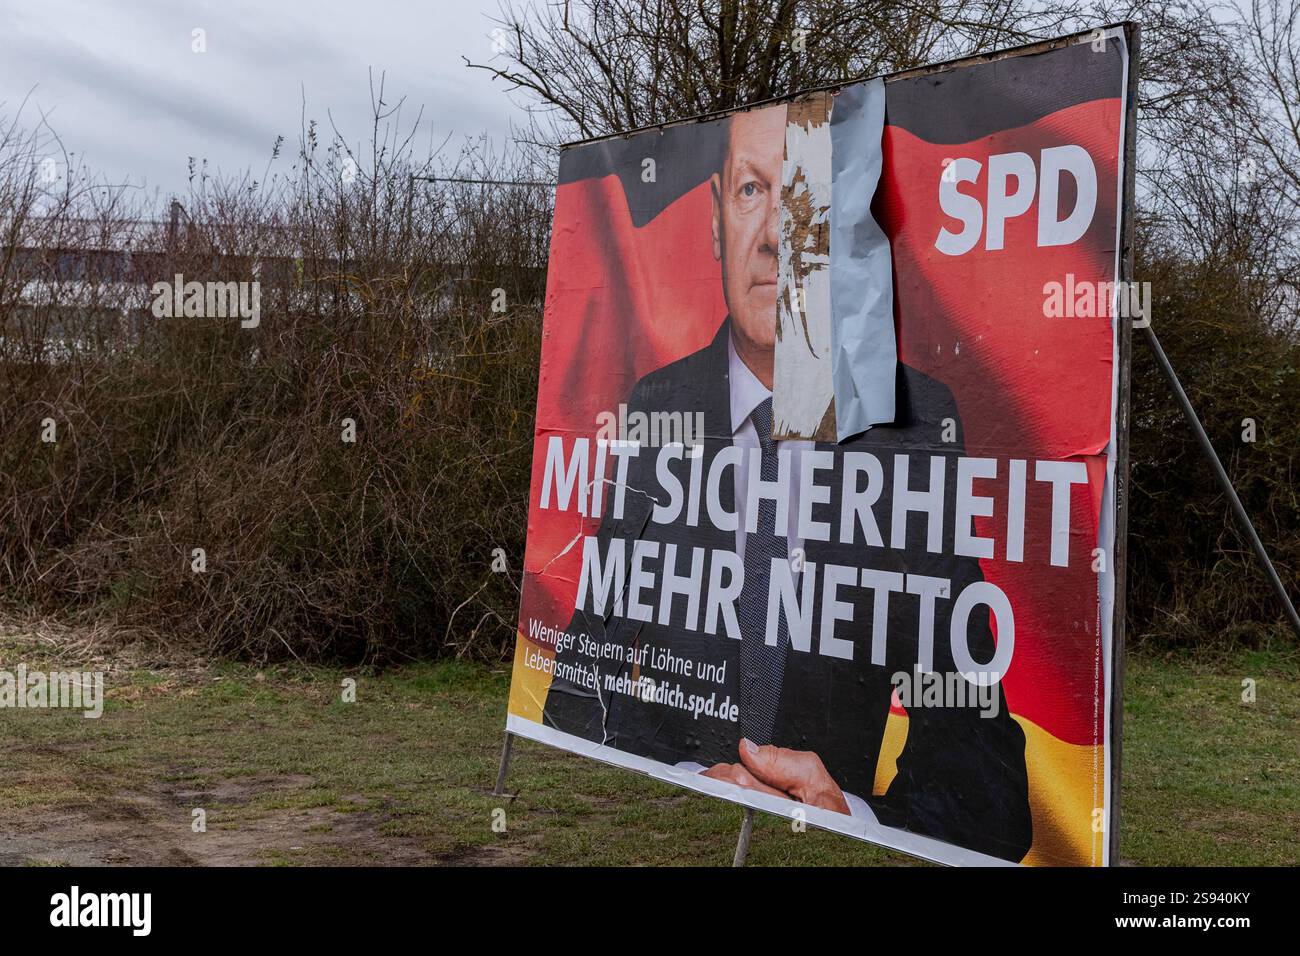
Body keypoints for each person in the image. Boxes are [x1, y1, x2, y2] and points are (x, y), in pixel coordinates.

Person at [543, 106, 1032, 862]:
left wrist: (857, 820)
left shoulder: (913, 424)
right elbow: (581, 680)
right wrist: (684, 776)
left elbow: (983, 772)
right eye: (751, 192)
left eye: (807, 201)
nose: (775, 235)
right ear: (715, 217)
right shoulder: (658, 407)